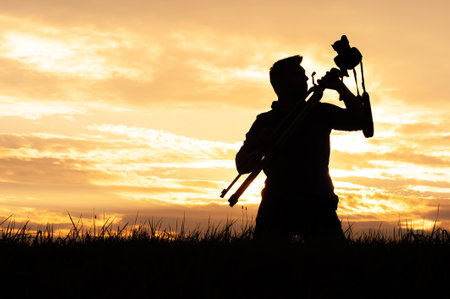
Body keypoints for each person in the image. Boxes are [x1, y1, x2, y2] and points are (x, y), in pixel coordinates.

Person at [235, 55, 365, 242]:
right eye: (299, 75)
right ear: (282, 82)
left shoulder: (319, 112)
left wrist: (339, 87)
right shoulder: (265, 121)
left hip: (318, 202)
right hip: (277, 204)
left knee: (336, 266)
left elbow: (360, 120)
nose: (306, 79)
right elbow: (242, 166)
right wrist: (260, 148)